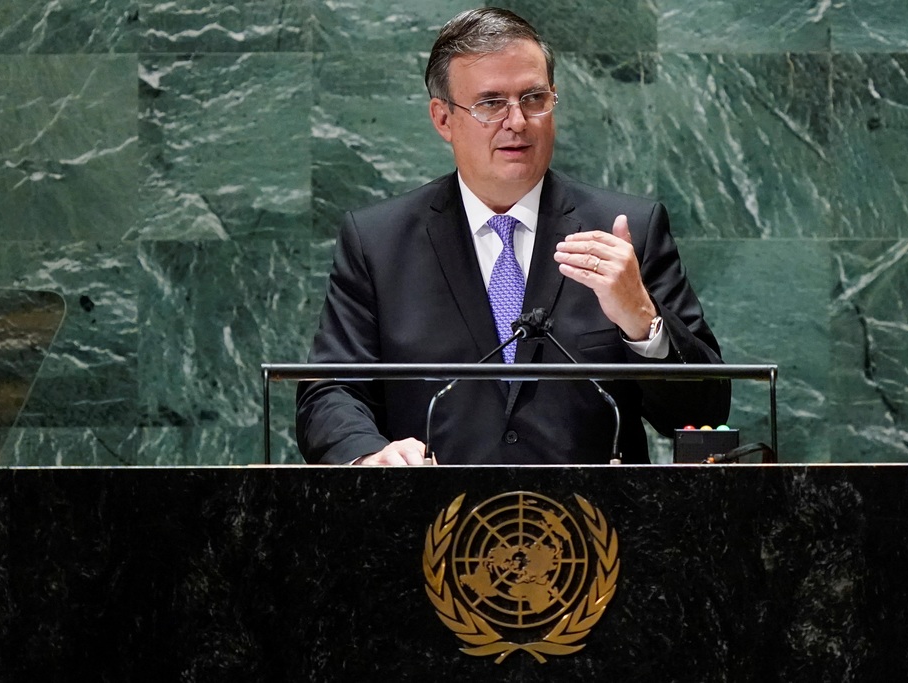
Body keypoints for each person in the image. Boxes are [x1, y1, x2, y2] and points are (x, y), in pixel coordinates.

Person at [296, 7, 729, 465]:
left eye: (534, 98)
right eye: (491, 103)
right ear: (443, 119)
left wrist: (643, 322)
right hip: (434, 508)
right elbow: (330, 392)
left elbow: (705, 413)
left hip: (592, 510)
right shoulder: (378, 243)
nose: (518, 121)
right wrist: (370, 456)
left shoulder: (627, 231)